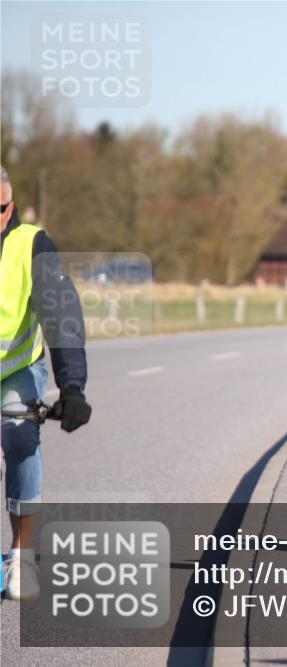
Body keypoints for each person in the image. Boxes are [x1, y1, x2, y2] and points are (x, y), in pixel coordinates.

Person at [0, 165, 92, 600]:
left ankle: (22, 556)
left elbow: (62, 316)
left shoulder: (31, 246)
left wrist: (72, 387)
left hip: (15, 369)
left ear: (10, 208)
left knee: (20, 437)